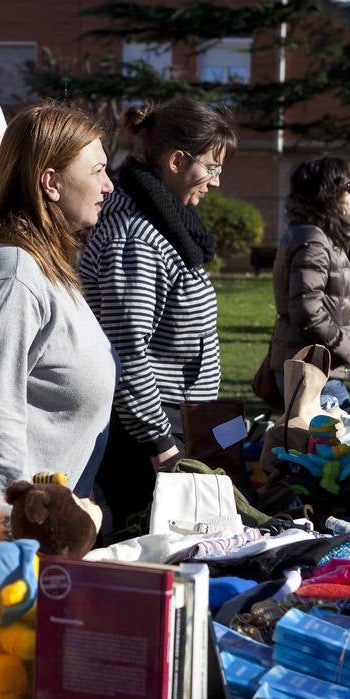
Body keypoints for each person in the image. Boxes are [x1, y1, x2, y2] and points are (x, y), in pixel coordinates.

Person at [0, 102, 117, 512]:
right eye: (97, 170)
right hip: (3, 542)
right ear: (51, 182)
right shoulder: (12, 276)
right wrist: (11, 542)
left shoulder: (42, 264)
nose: (108, 186)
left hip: (41, 529)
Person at [81, 97, 237, 530]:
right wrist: (160, 445)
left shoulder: (165, 224)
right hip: (145, 442)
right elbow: (127, 353)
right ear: (176, 160)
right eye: (212, 167)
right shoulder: (136, 238)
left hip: (171, 425)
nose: (216, 182)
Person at [266, 157, 350, 409]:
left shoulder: (311, 234)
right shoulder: (314, 239)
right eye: (349, 186)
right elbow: (306, 308)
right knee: (342, 445)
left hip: (311, 368)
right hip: (313, 371)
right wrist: (345, 346)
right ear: (329, 192)